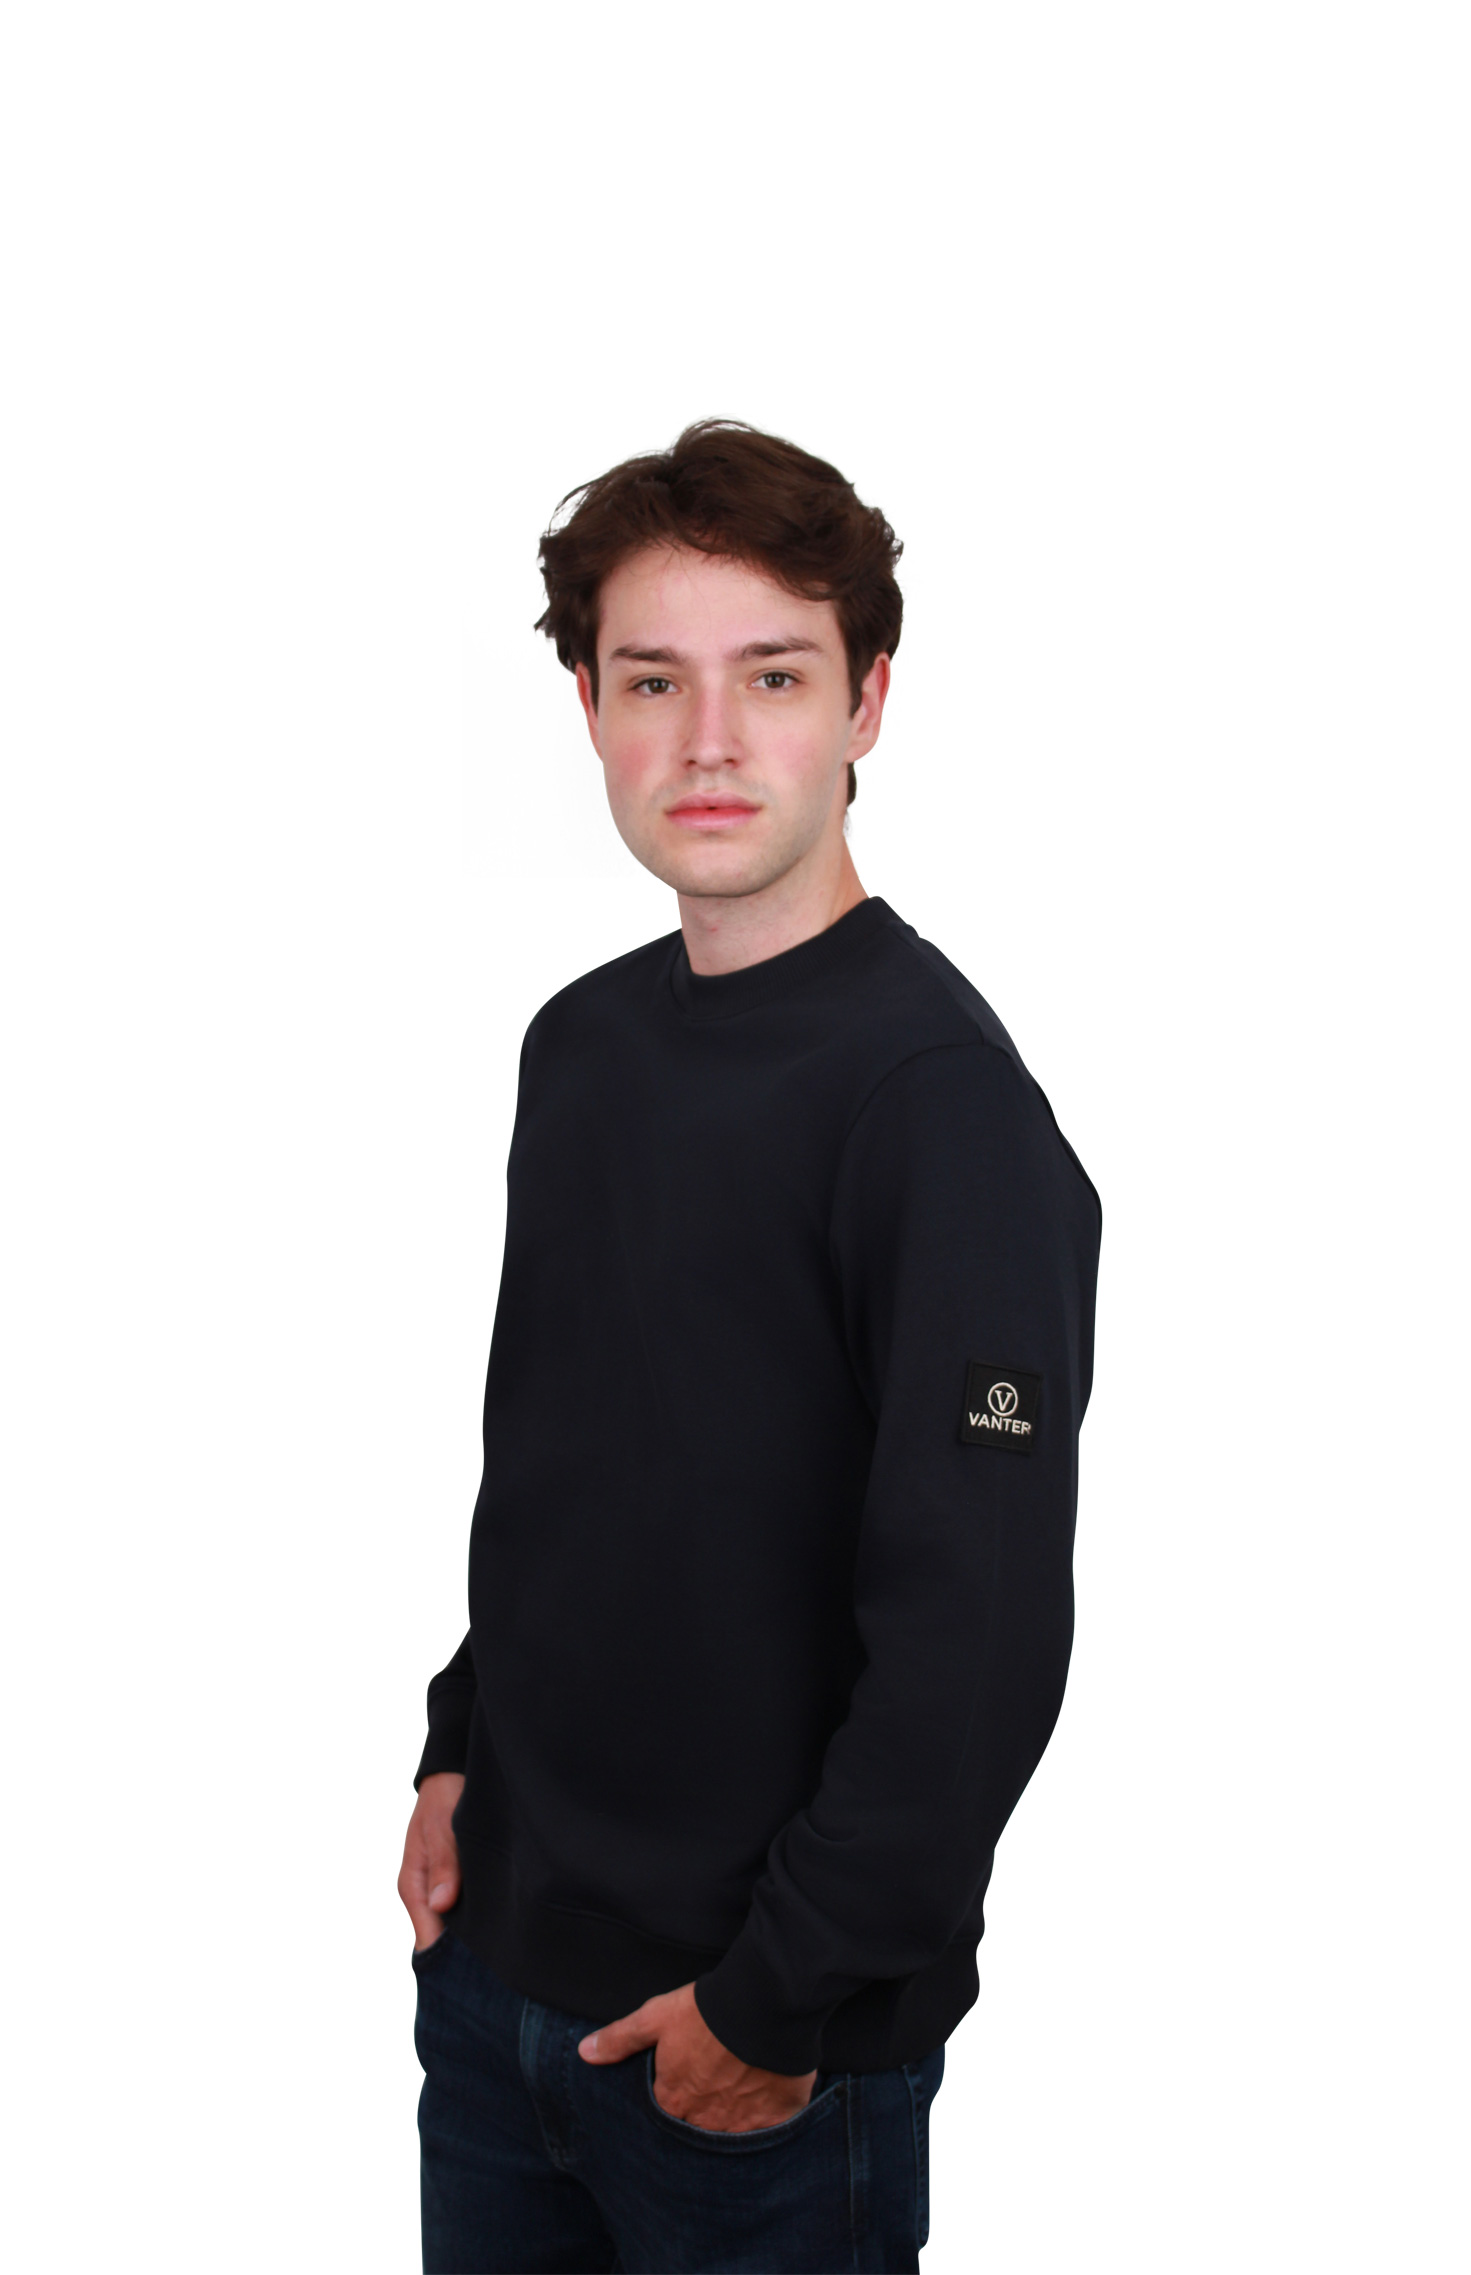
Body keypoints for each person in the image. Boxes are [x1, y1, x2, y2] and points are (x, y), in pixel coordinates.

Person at [397, 420, 1101, 2274]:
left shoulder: (941, 1115)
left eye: (773, 677)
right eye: (654, 681)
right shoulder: (584, 1046)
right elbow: (571, 1471)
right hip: (495, 2001)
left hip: (750, 2066)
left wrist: (777, 2004)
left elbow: (979, 1641)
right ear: (589, 707)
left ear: (868, 702)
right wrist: (461, 1747)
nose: (708, 741)